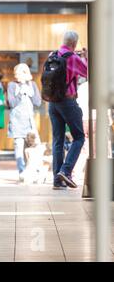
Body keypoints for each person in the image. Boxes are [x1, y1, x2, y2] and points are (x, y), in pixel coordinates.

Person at [49, 31, 88, 190]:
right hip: (67, 101)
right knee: (79, 137)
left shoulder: (53, 55)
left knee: (58, 140)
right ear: (74, 44)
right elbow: (87, 72)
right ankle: (66, 171)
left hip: (52, 102)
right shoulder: (72, 58)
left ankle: (57, 180)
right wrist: (86, 57)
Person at [7, 63, 42, 182]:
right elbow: (11, 103)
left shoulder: (32, 85)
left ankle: (34, 171)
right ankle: (22, 173)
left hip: (30, 123)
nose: (17, 76)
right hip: (17, 123)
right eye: (16, 74)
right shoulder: (12, 85)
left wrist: (30, 93)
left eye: (20, 73)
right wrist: (20, 93)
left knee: (34, 149)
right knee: (19, 149)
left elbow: (38, 102)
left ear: (26, 73)